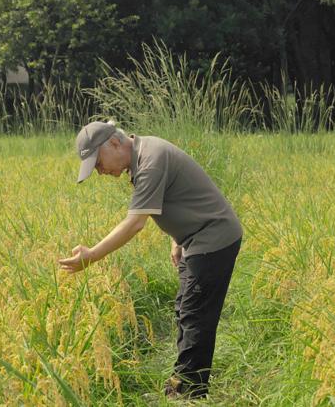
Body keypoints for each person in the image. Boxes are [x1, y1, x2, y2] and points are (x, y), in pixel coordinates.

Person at [58, 120, 243, 399]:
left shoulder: (150, 160)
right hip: (195, 239)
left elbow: (135, 223)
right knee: (184, 309)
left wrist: (92, 255)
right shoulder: (144, 154)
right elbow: (181, 193)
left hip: (213, 239)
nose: (100, 171)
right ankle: (182, 381)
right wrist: (177, 237)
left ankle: (189, 393)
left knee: (195, 315)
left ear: (115, 143)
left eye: (98, 163)